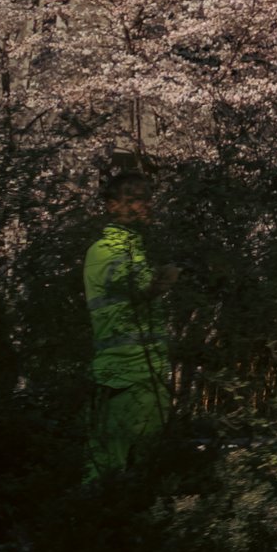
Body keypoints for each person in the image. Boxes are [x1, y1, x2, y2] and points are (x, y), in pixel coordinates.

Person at [83, 167, 170, 485]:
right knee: (107, 471)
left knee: (137, 475)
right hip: (122, 381)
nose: (144, 206)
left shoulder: (134, 251)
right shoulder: (104, 251)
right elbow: (138, 288)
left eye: (147, 199)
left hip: (144, 378)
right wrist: (166, 280)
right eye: (134, 199)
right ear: (112, 205)